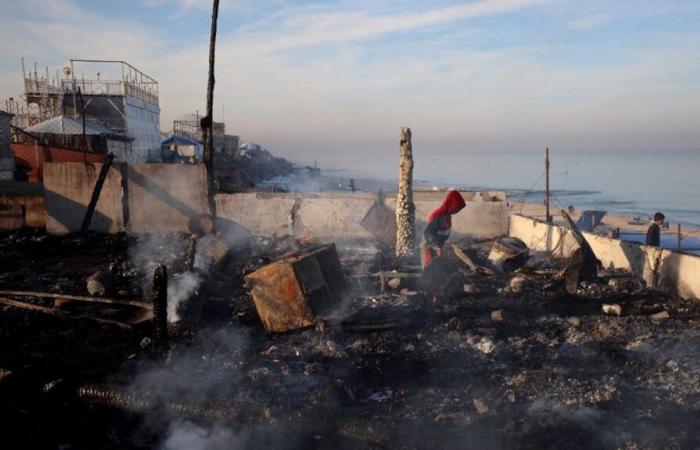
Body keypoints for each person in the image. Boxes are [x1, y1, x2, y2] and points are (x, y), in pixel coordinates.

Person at [422, 190, 466, 268]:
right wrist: (435, 246)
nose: (456, 211)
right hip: (430, 249)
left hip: (438, 248)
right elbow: (428, 232)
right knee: (430, 271)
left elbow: (443, 233)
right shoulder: (438, 215)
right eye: (455, 208)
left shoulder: (447, 216)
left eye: (458, 209)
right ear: (450, 204)